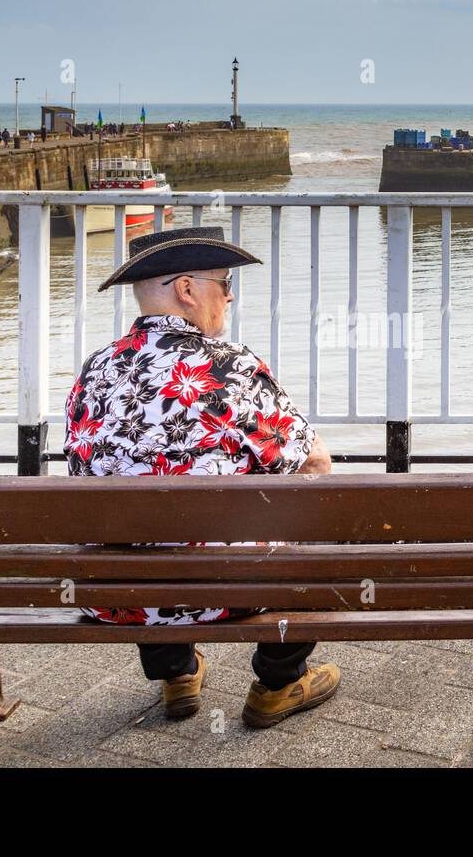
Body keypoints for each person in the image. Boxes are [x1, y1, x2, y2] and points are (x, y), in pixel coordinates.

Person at [64, 226, 338, 728]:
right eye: (224, 282)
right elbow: (314, 466)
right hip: (227, 592)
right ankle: (279, 682)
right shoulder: (230, 368)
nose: (230, 295)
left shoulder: (94, 371)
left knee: (143, 530)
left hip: (123, 600)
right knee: (309, 512)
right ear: (187, 291)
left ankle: (176, 671)